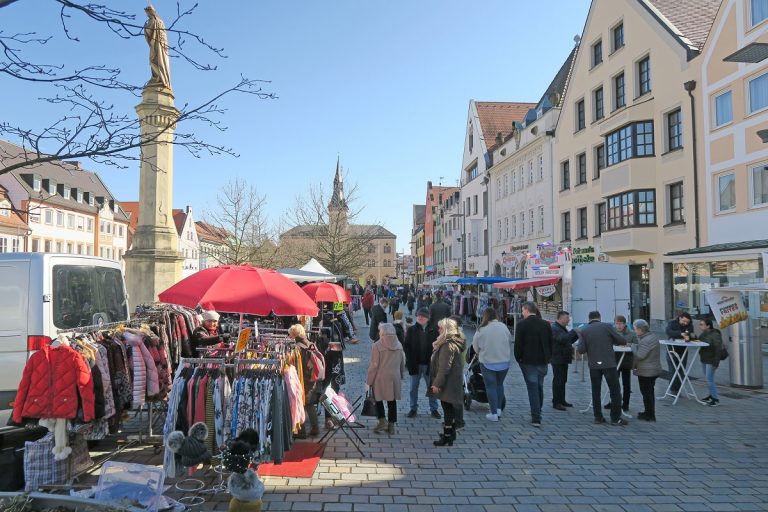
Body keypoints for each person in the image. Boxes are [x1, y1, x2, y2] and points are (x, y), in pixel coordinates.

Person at [576, 311, 628, 426]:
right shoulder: (607, 327)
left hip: (594, 364)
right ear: (600, 317)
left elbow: (581, 350)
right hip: (609, 363)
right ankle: (615, 418)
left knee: (596, 390)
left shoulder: (584, 330)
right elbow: (621, 341)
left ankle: (598, 417)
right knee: (614, 390)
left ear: (589, 319)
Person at [513, 302, 553, 427]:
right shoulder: (546, 324)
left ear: (526, 310)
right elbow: (551, 343)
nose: (521, 313)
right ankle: (538, 409)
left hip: (528, 361)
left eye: (522, 310)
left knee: (532, 388)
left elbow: (518, 344)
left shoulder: (522, 325)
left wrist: (518, 358)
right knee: (539, 386)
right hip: (542, 361)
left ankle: (536, 417)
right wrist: (548, 357)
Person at [429, 318, 465, 446]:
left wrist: (436, 384)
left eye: (441, 328)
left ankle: (447, 436)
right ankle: (449, 434)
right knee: (448, 409)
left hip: (448, 383)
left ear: (447, 330)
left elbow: (444, 367)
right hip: (450, 382)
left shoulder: (448, 345)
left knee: (448, 410)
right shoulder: (449, 343)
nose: (438, 330)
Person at [472, 308, 513, 422]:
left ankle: (493, 413)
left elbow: (475, 347)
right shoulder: (503, 327)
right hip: (504, 361)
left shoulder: (481, 329)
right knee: (499, 385)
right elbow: (509, 341)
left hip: (488, 362)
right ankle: (499, 409)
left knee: (490, 387)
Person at [365, 323, 406, 435]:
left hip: (380, 376)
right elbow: (403, 362)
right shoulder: (399, 344)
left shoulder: (377, 345)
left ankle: (382, 420)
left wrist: (369, 381)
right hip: (394, 376)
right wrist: (401, 374)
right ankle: (391, 425)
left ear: (382, 332)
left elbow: (374, 365)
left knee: (378, 399)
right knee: (392, 401)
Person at [403, 308, 440, 418]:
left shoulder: (434, 330)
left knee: (432, 387)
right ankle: (413, 408)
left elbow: (438, 347)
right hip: (415, 364)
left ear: (427, 318)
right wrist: (409, 362)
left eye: (423, 316)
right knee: (413, 388)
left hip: (429, 365)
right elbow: (406, 346)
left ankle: (434, 409)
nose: (420, 317)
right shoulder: (411, 330)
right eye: (419, 315)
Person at [289, 324, 323, 438]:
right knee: (309, 404)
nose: (289, 336)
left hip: (303, 379)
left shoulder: (297, 347)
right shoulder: (310, 344)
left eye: (290, 334)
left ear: (294, 334)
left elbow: (297, 366)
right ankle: (315, 428)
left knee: (301, 404)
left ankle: (301, 432)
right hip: (312, 379)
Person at [631, 319, 661, 421]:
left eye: (635, 329)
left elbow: (640, 355)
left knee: (647, 393)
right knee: (648, 393)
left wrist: (633, 346)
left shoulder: (646, 340)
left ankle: (650, 415)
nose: (634, 331)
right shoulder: (650, 337)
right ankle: (648, 412)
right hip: (650, 369)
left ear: (640, 329)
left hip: (647, 371)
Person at [606, 315, 637, 412]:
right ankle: (613, 402)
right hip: (614, 360)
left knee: (626, 383)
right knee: (613, 383)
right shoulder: (612, 332)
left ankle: (626, 404)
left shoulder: (631, 333)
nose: (619, 326)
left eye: (621, 324)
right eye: (617, 324)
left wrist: (630, 345)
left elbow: (637, 345)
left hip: (626, 361)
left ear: (625, 324)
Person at [550, 311, 579, 411]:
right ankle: (556, 402)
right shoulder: (554, 328)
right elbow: (561, 339)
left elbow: (568, 340)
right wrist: (574, 331)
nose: (568, 320)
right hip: (557, 358)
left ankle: (562, 400)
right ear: (560, 318)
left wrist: (576, 335)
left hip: (563, 358)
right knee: (558, 380)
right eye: (566, 318)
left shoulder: (561, 328)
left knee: (563, 380)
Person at [665, 312, 694, 394]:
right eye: (684, 321)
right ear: (680, 318)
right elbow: (668, 332)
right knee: (673, 369)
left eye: (687, 322)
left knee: (681, 370)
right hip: (672, 349)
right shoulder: (672, 323)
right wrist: (680, 334)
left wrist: (691, 336)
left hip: (683, 350)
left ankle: (678, 389)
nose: (685, 323)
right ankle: (673, 389)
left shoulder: (689, 325)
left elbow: (691, 334)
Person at [697, 318, 724, 407]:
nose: (700, 326)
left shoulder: (715, 334)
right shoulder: (704, 333)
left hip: (711, 360)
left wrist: (716, 363)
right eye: (700, 324)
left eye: (702, 324)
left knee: (710, 379)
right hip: (704, 359)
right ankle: (711, 395)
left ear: (708, 326)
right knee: (708, 379)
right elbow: (699, 341)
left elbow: (718, 349)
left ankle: (715, 399)